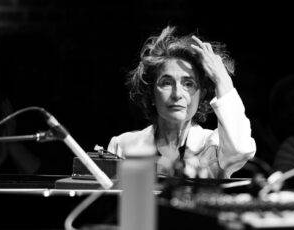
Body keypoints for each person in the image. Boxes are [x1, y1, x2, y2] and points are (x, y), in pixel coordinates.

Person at [107, 26, 256, 179]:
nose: (177, 94)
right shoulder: (123, 145)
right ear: (151, 94)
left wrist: (221, 78)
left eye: (188, 84)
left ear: (201, 95)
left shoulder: (214, 144)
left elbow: (241, 150)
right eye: (166, 83)